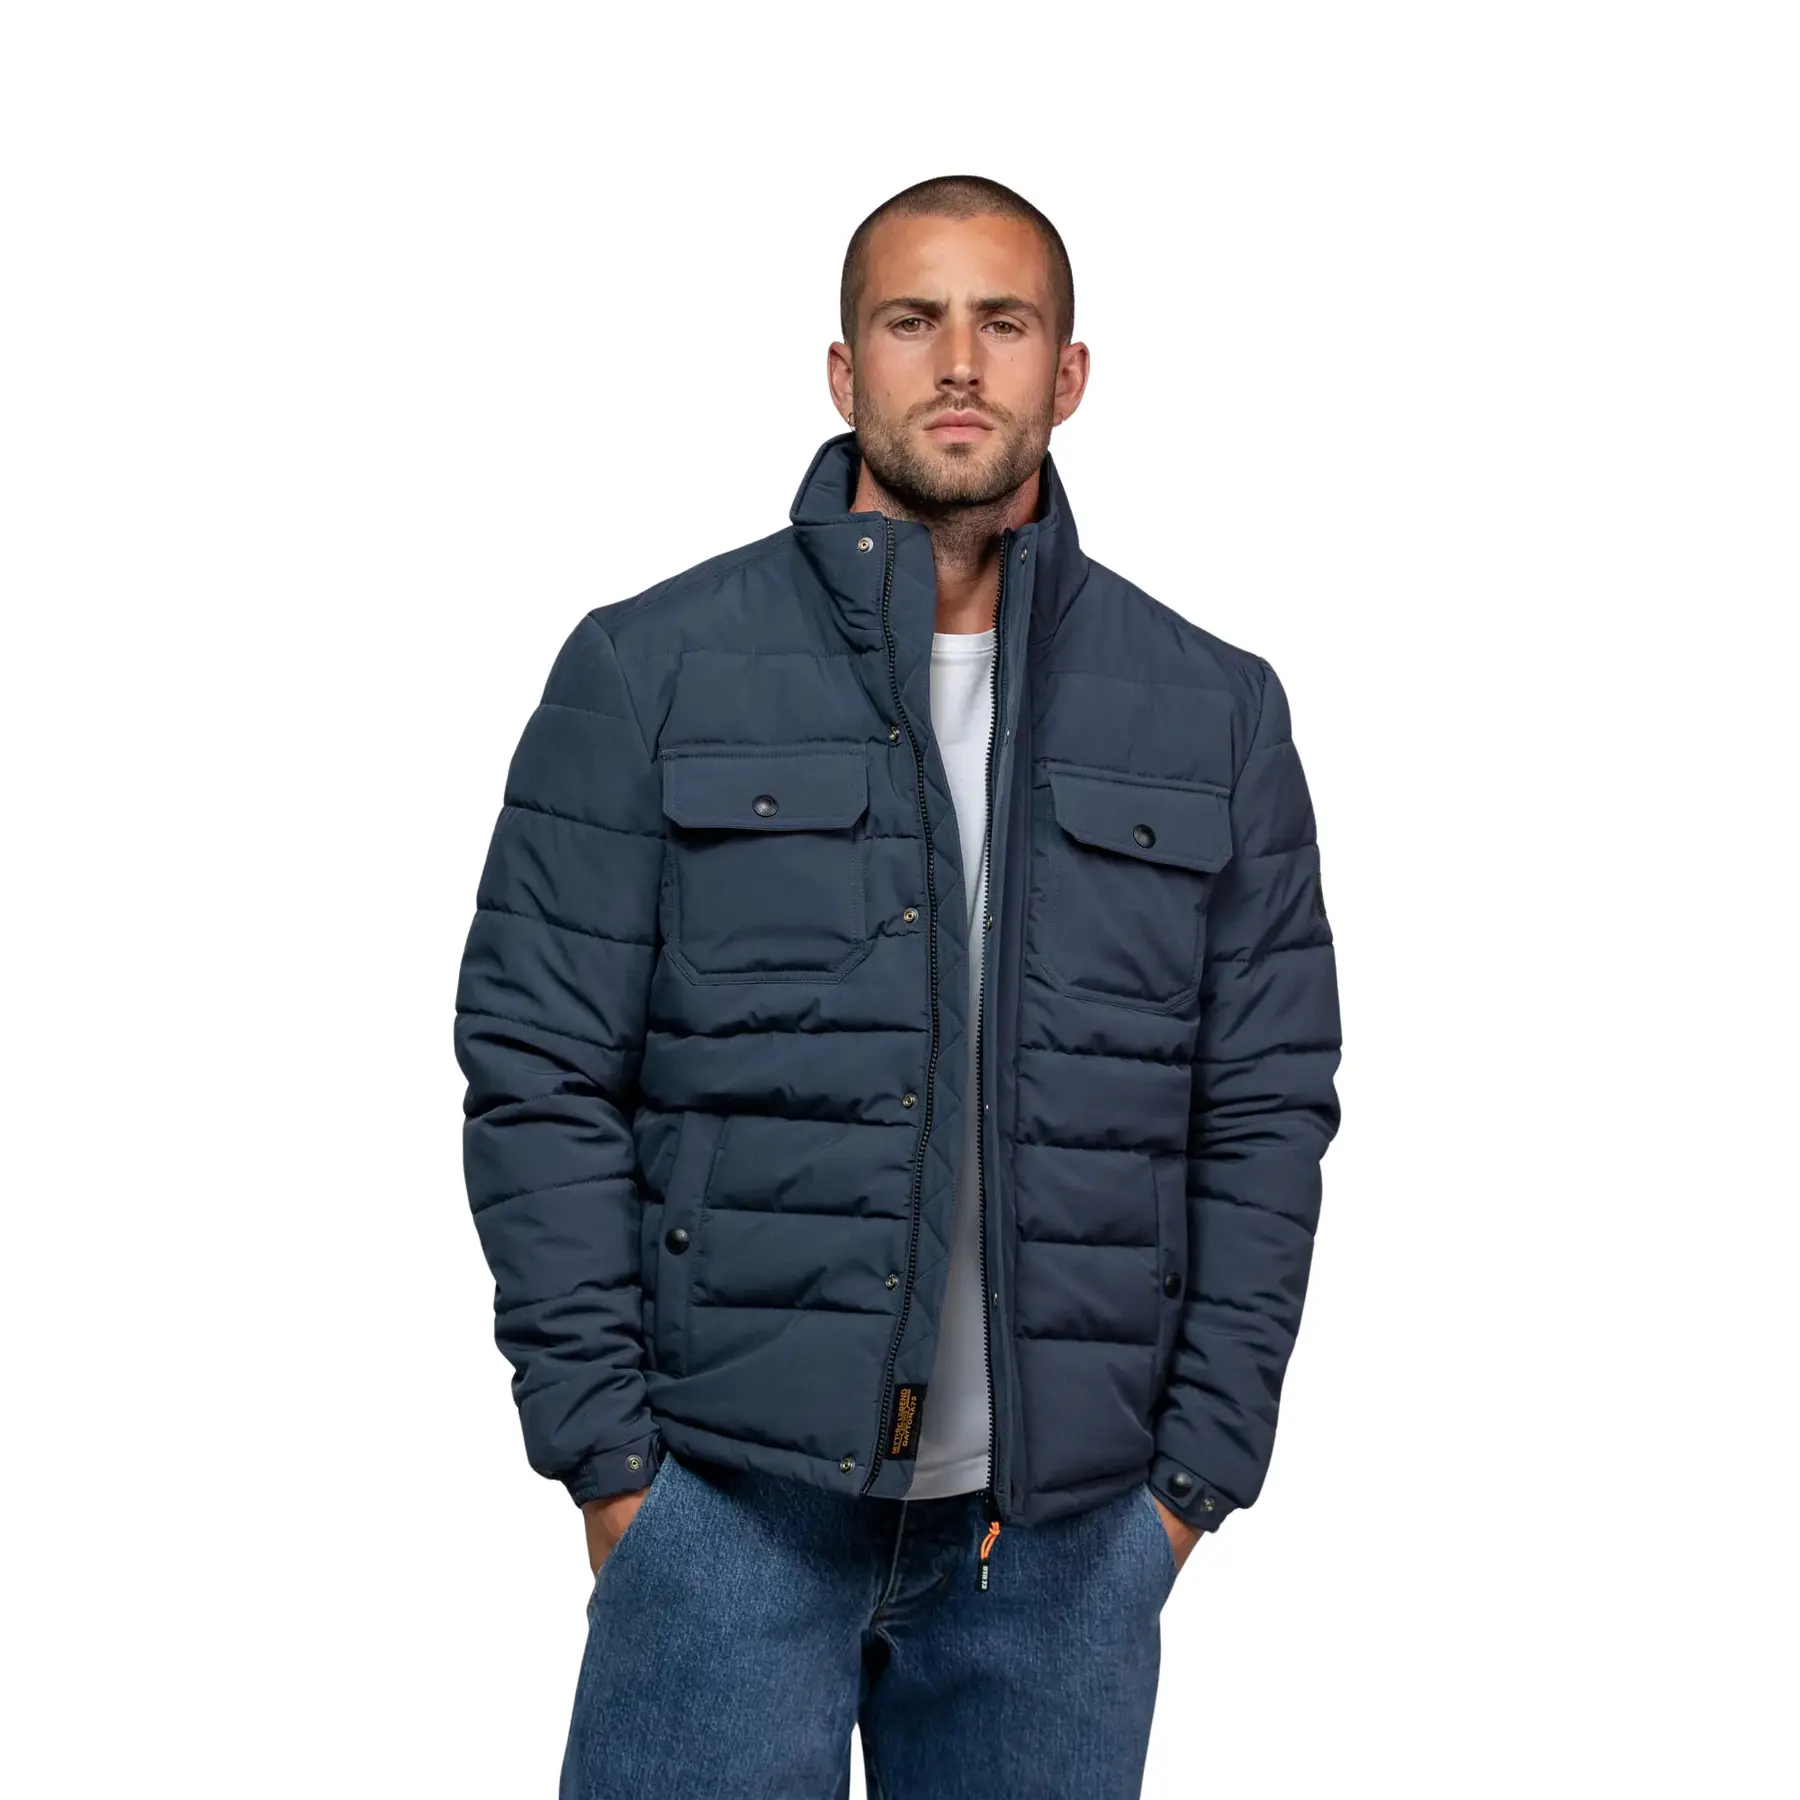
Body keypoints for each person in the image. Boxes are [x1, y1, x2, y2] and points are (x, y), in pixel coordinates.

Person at [453, 173, 1343, 1800]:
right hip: (727, 1506)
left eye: (1004, 322)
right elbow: (539, 1067)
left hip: (1066, 1539)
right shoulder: (649, 670)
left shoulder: (1213, 710)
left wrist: (1191, 1484)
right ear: (843, 368)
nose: (959, 362)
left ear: (1068, 372)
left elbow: (1266, 1107)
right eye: (912, 320)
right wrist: (614, 1468)